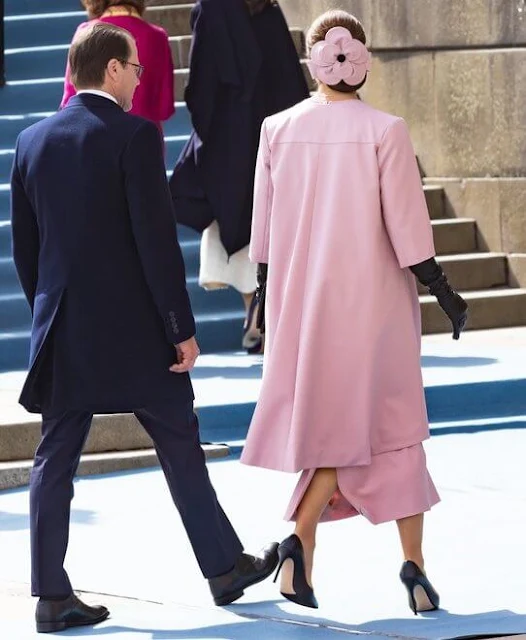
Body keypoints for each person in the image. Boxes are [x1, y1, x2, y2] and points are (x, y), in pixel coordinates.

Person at [11, 22, 278, 634]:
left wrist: (51, 313)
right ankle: (223, 569)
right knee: (180, 444)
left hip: (66, 331)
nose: (139, 77)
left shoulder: (30, 142)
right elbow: (156, 245)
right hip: (137, 336)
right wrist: (179, 327)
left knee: (56, 457)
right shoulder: (136, 136)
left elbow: (29, 253)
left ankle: (51, 595)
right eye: (133, 67)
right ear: (110, 69)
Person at [240, 10, 468, 613]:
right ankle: (411, 569)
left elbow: (261, 230)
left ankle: (300, 561)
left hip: (302, 304)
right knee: (393, 430)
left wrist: (262, 298)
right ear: (362, 60)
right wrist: (442, 289)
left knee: (328, 432)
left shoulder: (276, 129)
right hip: (373, 306)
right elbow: (409, 229)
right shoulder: (385, 130)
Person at [169, 0, 310, 354]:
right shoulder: (268, 8)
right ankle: (262, 310)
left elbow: (201, 83)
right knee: (271, 219)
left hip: (229, 140)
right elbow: (291, 79)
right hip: (274, 135)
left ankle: (253, 306)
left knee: (235, 216)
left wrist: (208, 134)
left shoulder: (212, 9)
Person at [61, 0, 174, 137]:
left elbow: (70, 100)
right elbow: (164, 108)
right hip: (142, 142)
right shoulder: (157, 36)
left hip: (94, 140)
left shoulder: (85, 33)